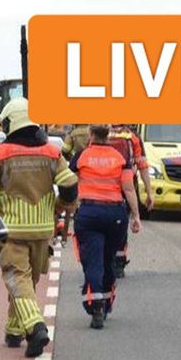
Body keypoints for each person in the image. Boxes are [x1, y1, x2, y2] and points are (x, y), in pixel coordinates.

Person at [0, 98, 79, 357]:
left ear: (10, 122)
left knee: (18, 281)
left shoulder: (0, 154)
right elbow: (70, 186)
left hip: (11, 231)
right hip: (42, 232)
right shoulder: (51, 153)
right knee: (27, 283)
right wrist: (58, 208)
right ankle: (15, 331)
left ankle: (36, 327)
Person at [70, 125, 141, 329]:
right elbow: (128, 188)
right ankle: (106, 301)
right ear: (108, 136)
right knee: (108, 258)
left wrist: (66, 210)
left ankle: (97, 304)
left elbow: (69, 182)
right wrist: (136, 215)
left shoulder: (82, 156)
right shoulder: (119, 157)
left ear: (91, 135)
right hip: (114, 214)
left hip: (89, 213)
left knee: (92, 260)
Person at [109, 124, 153, 278]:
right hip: (125, 188)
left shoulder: (100, 135)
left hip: (101, 189)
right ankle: (119, 263)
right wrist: (149, 192)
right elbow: (142, 166)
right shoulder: (133, 138)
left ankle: (105, 260)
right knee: (121, 226)